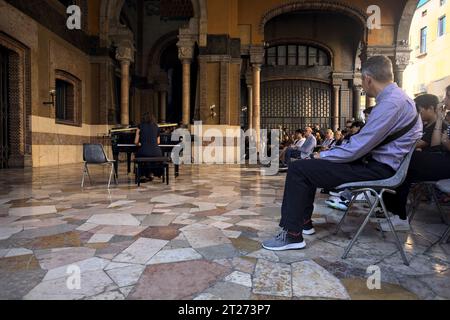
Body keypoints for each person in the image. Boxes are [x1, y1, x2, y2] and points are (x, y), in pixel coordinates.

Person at [262, 55, 422, 251]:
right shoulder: (399, 99)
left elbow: (357, 147)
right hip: (377, 165)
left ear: (368, 79)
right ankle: (303, 223)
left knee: (298, 169)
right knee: (306, 167)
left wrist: (323, 155)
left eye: (362, 81)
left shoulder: (392, 103)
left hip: (378, 169)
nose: (362, 86)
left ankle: (292, 235)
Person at [382, 86, 450, 231]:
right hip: (437, 158)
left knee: (403, 163)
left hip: (443, 162)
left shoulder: (442, 123)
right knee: (402, 166)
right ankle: (397, 214)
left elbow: (436, 145)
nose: (444, 100)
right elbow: (437, 144)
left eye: (447, 97)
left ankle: (398, 215)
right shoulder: (431, 124)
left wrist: (445, 140)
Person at [134, 112, 163, 181]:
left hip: (144, 151)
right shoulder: (156, 126)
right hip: (157, 152)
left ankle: (142, 174)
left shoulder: (140, 126)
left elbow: (135, 142)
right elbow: (158, 142)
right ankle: (151, 173)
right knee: (150, 156)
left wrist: (140, 144)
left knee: (139, 155)